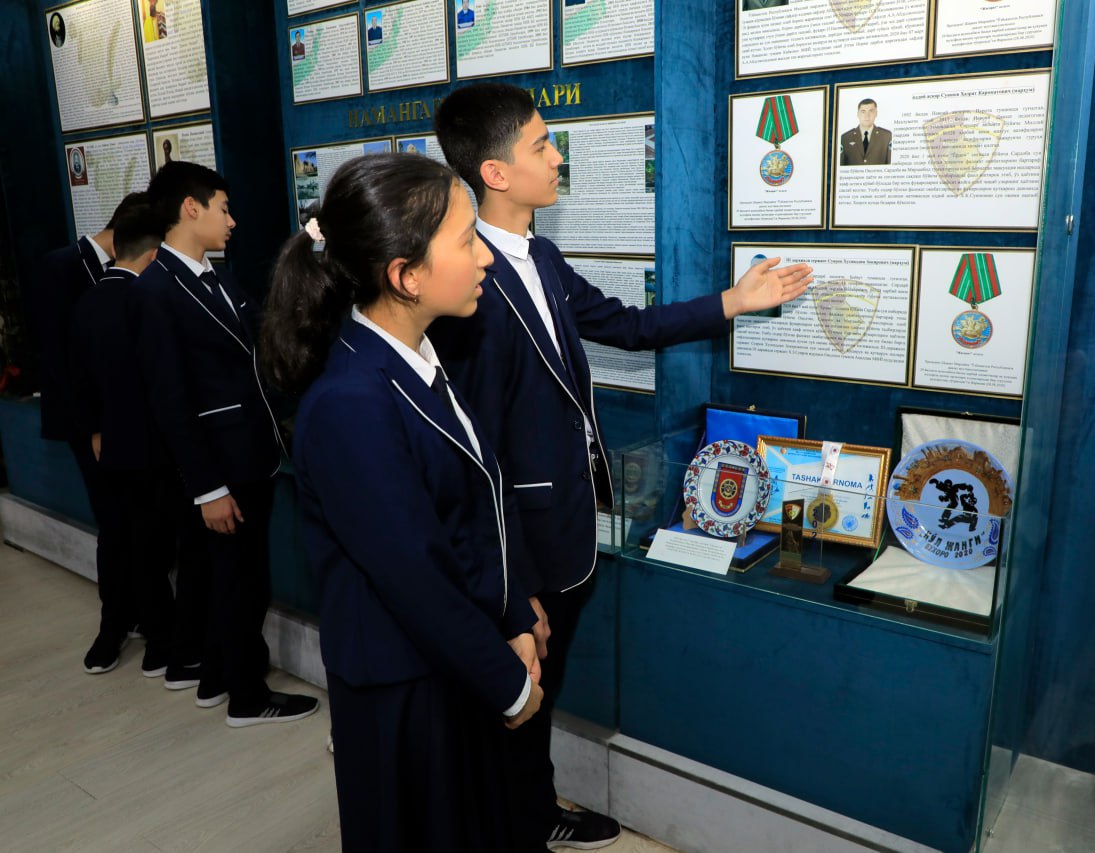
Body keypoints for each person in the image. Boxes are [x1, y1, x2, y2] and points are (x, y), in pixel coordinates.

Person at [431, 82, 812, 850]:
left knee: (539, 688)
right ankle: (510, 823)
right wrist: (510, 587)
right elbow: (476, 455)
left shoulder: (540, 255)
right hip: (522, 547)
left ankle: (532, 808)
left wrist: (732, 301)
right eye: (541, 144)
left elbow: (628, 325)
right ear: (496, 172)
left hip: (568, 528)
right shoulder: (468, 284)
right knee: (511, 692)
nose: (557, 156)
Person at [259, 153, 545, 851]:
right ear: (406, 275)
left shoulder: (415, 356)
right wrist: (508, 682)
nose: (486, 257)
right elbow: (416, 576)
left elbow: (479, 501)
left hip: (453, 660)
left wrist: (515, 611)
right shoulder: (350, 403)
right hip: (404, 686)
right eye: (467, 240)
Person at [135, 161, 319, 727]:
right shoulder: (156, 289)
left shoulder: (214, 276)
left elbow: (259, 336)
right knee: (241, 582)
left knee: (233, 577)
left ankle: (217, 676)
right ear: (191, 208)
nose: (232, 221)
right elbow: (169, 400)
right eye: (223, 208)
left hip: (248, 453)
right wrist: (208, 488)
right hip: (221, 465)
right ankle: (248, 696)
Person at [69, 195, 176, 679]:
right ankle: (159, 642)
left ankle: (111, 631)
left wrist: (94, 428)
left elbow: (76, 376)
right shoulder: (148, 300)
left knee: (114, 538)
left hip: (105, 443)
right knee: (151, 542)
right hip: (150, 443)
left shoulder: (87, 299)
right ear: (153, 255)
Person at [36, 195, 141, 674]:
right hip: (91, 426)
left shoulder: (131, 270)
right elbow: (58, 358)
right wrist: (95, 428)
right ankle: (112, 626)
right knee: (114, 523)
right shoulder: (60, 268)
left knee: (138, 521)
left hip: (130, 419)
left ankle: (143, 613)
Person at [840, 98, 892, 166]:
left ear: (876, 113)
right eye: (863, 111)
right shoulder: (845, 138)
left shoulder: (886, 136)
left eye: (871, 111)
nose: (867, 116)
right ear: (858, 114)